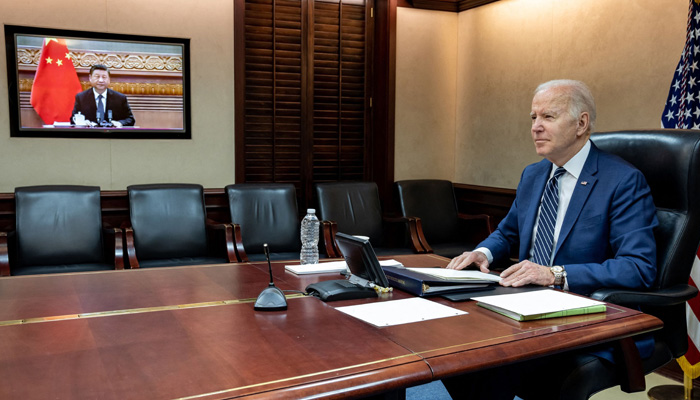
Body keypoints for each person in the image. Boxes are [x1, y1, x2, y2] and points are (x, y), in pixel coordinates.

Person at [442, 79, 658, 399]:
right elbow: (509, 231)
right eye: (533, 118)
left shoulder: (622, 180)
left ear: (581, 123)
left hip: (587, 316)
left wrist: (554, 275)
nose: (536, 127)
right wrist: (484, 252)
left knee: (485, 362)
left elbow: (639, 267)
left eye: (548, 117)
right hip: (524, 308)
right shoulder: (534, 174)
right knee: (455, 346)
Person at [71, 64, 135, 127]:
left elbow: (130, 119)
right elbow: (73, 119)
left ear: (109, 79)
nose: (101, 80)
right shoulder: (81, 97)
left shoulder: (120, 98)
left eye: (104, 77)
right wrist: (82, 122)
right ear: (90, 78)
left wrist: (119, 123)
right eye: (97, 77)